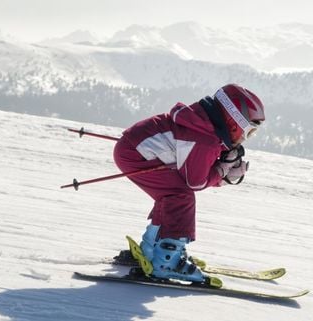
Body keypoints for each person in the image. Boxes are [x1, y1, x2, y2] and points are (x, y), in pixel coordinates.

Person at [113, 84, 265, 282]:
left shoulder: (205, 128)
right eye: (248, 132)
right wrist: (222, 171)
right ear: (233, 121)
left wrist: (221, 171)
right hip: (135, 154)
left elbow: (192, 170)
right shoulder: (205, 139)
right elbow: (195, 181)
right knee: (180, 196)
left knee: (172, 194)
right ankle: (166, 261)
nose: (245, 139)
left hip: (134, 149)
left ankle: (152, 248)